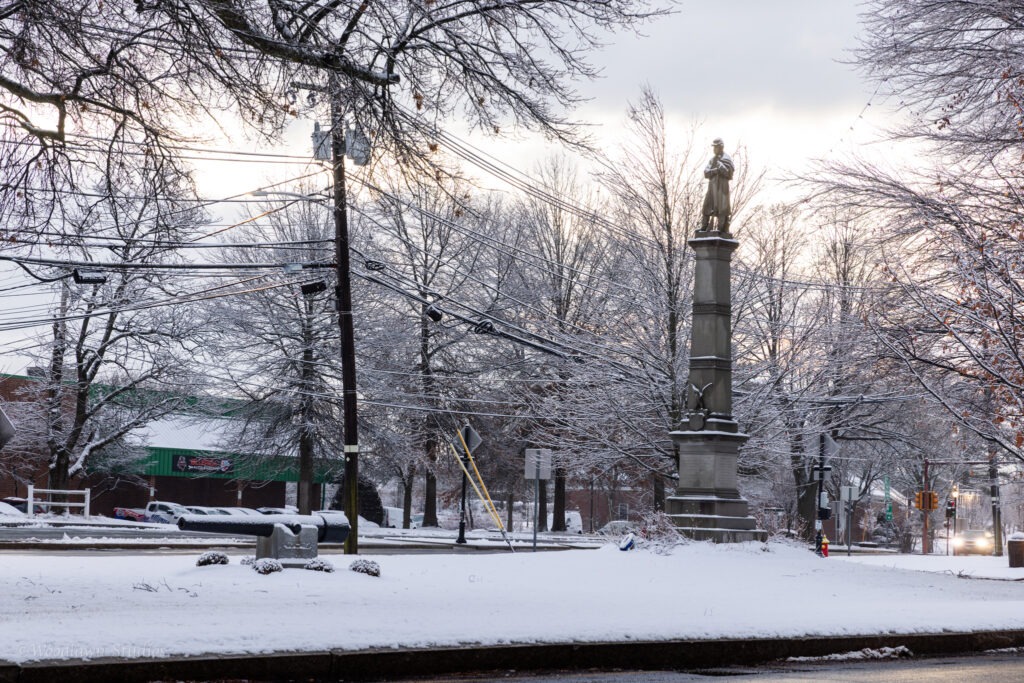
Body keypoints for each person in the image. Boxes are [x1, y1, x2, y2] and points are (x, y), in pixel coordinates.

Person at [700, 138, 734, 231]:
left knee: (722, 208)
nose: (714, 149)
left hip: (722, 189)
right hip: (712, 187)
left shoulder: (726, 159)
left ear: (721, 147)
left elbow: (729, 173)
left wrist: (720, 165)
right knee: (707, 206)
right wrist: (715, 170)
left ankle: (721, 228)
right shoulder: (712, 160)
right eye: (714, 147)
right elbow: (706, 173)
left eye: (716, 147)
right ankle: (704, 226)